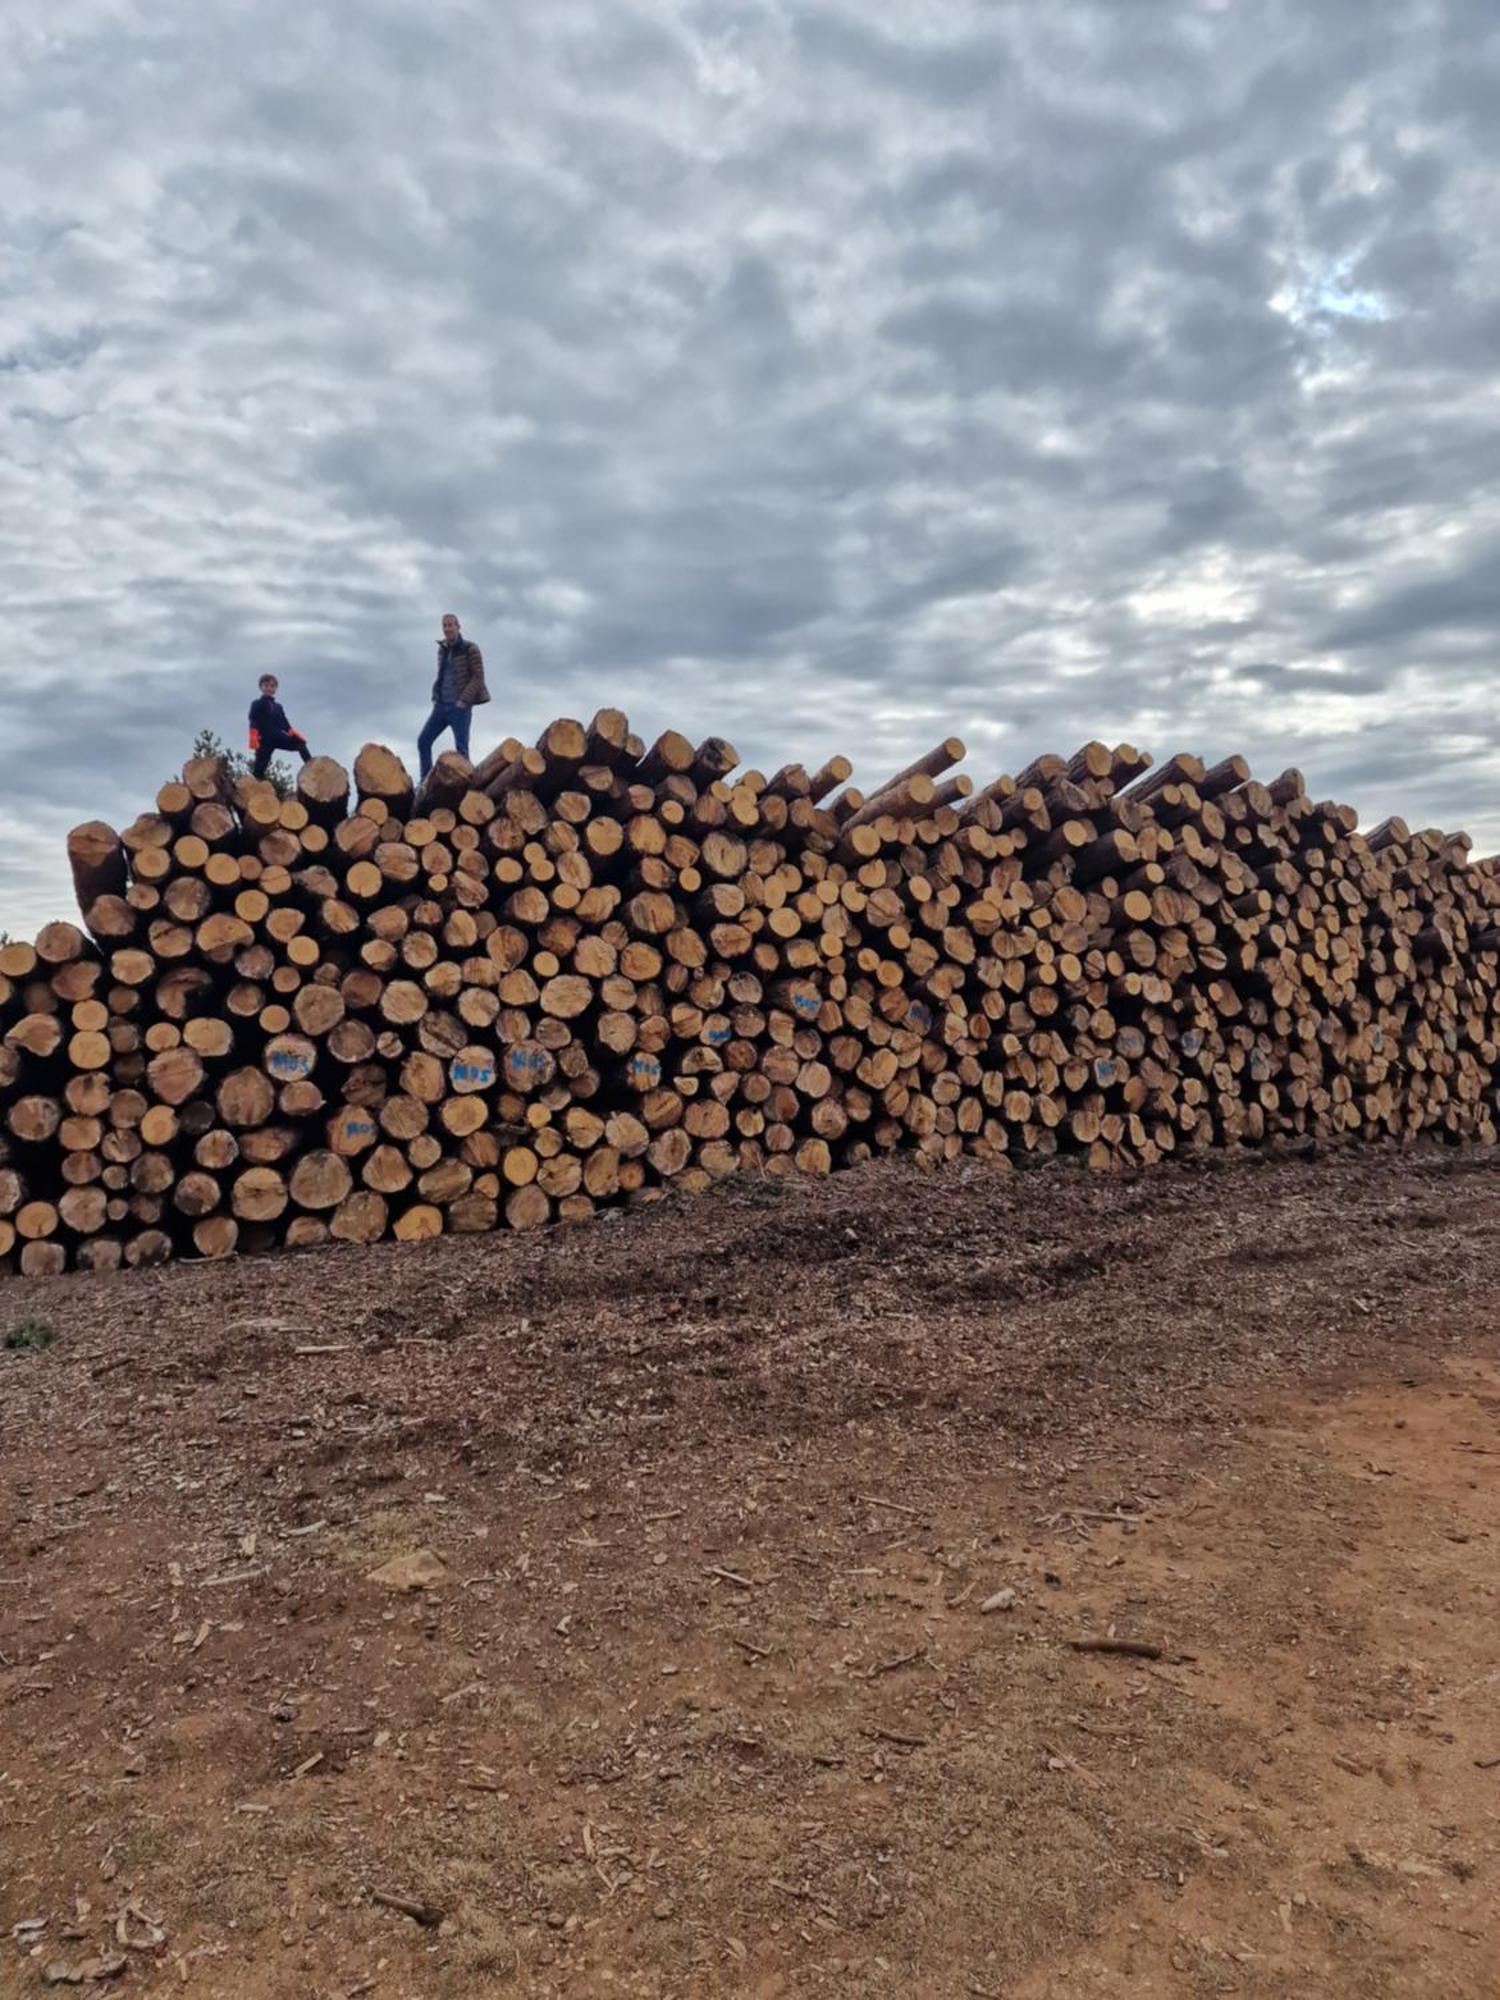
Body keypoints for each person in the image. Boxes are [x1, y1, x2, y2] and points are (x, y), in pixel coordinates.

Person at [418, 613, 490, 778]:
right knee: (423, 741)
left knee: (462, 753)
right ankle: (425, 782)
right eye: (444, 625)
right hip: (441, 706)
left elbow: (478, 677)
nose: (447, 628)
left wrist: (463, 701)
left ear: (458, 627)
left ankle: (465, 791)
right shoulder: (442, 650)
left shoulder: (470, 648)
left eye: (451, 625)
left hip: (460, 708)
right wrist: (436, 696)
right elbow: (442, 675)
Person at [247, 674, 311, 780]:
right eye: (266, 685)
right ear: (261, 687)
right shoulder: (256, 703)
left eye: (272, 686)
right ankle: (257, 785)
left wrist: (292, 732)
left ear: (276, 688)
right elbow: (253, 719)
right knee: (260, 767)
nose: (269, 688)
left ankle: (311, 767)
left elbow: (284, 722)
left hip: (278, 736)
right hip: (264, 739)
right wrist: (253, 735)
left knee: (300, 744)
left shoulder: (278, 707)